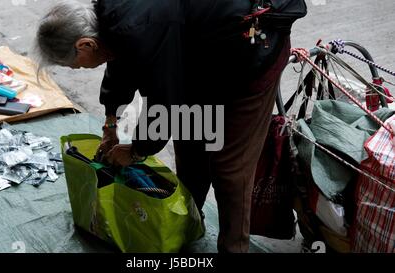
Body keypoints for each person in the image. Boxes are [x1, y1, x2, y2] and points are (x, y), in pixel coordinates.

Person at [35, 0, 304, 253]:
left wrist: (136, 150)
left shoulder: (136, 28)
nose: (77, 69)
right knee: (190, 149)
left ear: (85, 44)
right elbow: (121, 61)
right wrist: (111, 121)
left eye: (73, 65)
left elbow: (165, 104)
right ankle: (184, 225)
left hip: (250, 54)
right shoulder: (112, 22)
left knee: (229, 168)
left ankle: (233, 247)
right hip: (201, 59)